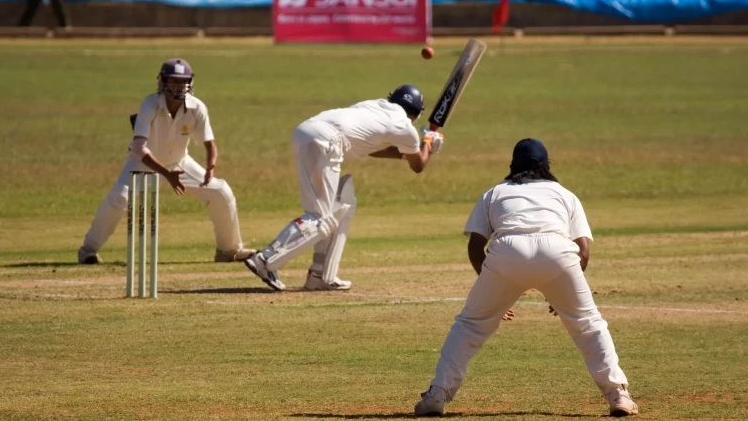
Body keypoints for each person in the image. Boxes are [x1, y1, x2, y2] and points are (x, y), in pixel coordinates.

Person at [414, 138, 638, 418]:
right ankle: (619, 395)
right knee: (588, 325)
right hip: (558, 253)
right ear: (546, 166)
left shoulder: (495, 193)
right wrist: (561, 292)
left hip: (508, 251)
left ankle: (436, 396)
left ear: (512, 165)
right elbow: (583, 250)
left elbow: (475, 247)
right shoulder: (564, 194)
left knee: (470, 326)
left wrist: (493, 291)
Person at [242, 85, 444, 292]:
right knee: (319, 216)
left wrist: (422, 148)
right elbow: (418, 165)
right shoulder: (404, 127)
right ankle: (264, 260)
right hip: (327, 141)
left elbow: (372, 149)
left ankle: (321, 276)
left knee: (342, 203)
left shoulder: (373, 106)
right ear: (417, 113)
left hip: (306, 131)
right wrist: (428, 142)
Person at [78, 58, 255, 265]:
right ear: (162, 82)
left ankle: (228, 250)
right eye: (173, 81)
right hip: (142, 164)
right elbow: (138, 147)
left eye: (182, 82)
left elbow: (209, 144)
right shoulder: (150, 104)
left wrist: (211, 166)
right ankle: (87, 250)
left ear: (190, 83)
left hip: (179, 163)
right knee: (119, 199)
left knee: (221, 192)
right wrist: (166, 175)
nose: (178, 87)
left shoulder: (197, 108)